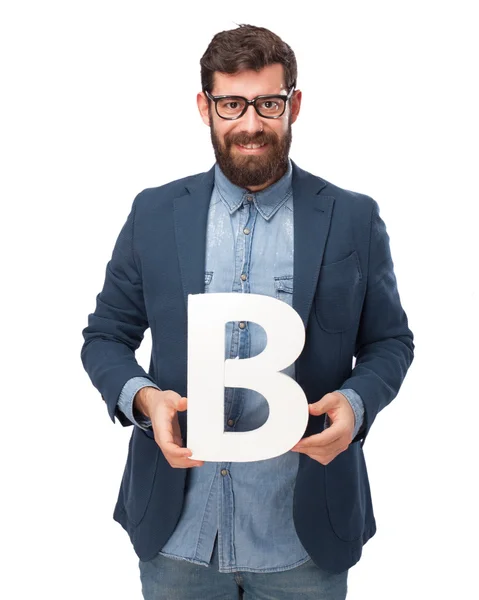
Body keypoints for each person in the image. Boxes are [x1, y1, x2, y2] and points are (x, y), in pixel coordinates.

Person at [81, 23, 414, 600]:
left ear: (295, 104)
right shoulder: (155, 213)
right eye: (232, 104)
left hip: (304, 540)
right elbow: (105, 335)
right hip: (177, 537)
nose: (252, 124)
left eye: (269, 103)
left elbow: (390, 342)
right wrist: (143, 399)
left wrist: (356, 406)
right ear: (205, 107)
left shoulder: (353, 219)